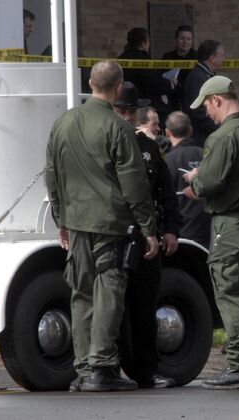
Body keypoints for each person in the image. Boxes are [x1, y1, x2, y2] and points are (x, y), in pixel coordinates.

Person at [45, 60, 159, 392]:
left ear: (91, 84)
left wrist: (60, 218)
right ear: (118, 87)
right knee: (109, 291)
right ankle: (103, 366)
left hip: (76, 220)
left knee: (81, 292)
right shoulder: (119, 129)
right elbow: (134, 184)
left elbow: (52, 173)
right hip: (111, 222)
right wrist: (148, 228)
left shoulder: (63, 122)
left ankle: (83, 369)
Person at [183, 76, 239, 390]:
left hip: (231, 224)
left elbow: (209, 183)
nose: (206, 112)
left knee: (231, 293)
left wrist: (196, 179)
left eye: (207, 105)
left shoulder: (223, 137)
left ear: (218, 100)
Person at [111, 82, 181, 389]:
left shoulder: (149, 147)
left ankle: (146, 369)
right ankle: (108, 368)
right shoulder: (105, 143)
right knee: (112, 308)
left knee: (143, 306)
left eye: (131, 111)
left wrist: (172, 231)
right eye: (121, 111)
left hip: (146, 238)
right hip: (114, 234)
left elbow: (166, 194)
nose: (127, 117)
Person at [163, 111, 212, 248]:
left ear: (167, 133)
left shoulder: (167, 161)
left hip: (181, 235)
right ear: (190, 131)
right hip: (208, 230)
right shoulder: (207, 156)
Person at [118, 27, 176, 126]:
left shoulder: (121, 59)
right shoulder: (144, 61)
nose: (149, 44)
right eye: (148, 41)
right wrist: (171, 83)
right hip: (143, 105)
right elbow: (154, 82)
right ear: (143, 43)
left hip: (124, 105)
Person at [182, 40, 225, 146]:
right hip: (200, 137)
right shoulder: (198, 77)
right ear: (212, 58)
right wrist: (216, 129)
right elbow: (197, 109)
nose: (224, 59)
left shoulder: (208, 75)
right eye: (221, 55)